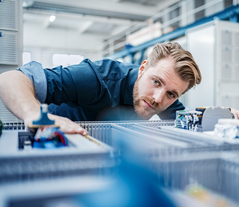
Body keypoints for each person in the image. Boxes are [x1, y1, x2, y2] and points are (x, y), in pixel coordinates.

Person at [0, 42, 238, 135]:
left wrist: (225, 117)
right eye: (156, 81)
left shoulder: (166, 96)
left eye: (171, 94)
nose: (157, 98)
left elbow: (189, 119)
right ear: (143, 68)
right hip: (60, 144)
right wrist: (35, 114)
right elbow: (11, 79)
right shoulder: (96, 78)